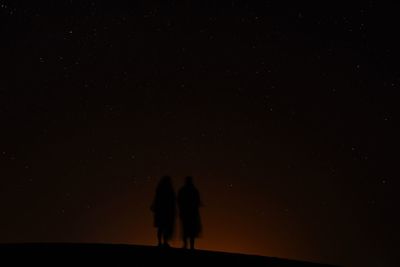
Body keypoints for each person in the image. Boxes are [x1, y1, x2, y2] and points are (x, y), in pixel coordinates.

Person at [151, 176, 176, 247]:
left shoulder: (160, 190)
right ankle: (163, 242)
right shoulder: (169, 190)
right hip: (165, 212)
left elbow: (156, 200)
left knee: (161, 228)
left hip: (161, 212)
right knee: (164, 228)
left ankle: (160, 242)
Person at [177, 176, 202, 250]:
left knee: (187, 230)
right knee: (190, 231)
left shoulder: (183, 190)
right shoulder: (194, 190)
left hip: (187, 213)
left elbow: (179, 200)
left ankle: (187, 245)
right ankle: (191, 246)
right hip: (191, 214)